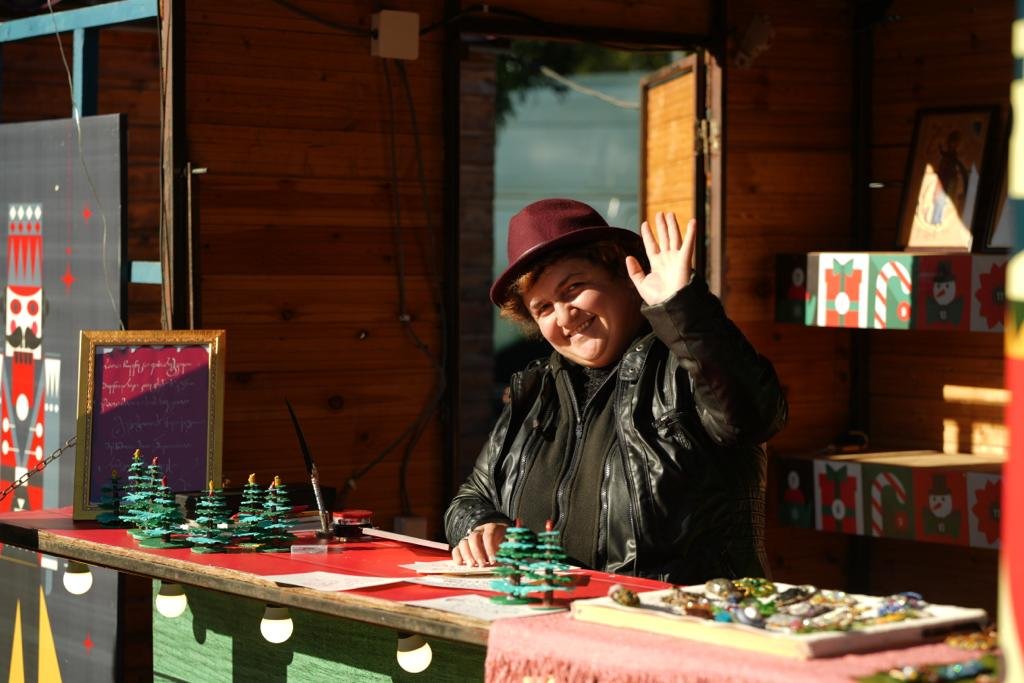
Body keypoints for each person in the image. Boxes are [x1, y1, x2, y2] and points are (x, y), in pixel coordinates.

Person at [444, 198, 787, 584]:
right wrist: (482, 526)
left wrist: (685, 309)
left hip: (679, 617)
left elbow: (754, 416)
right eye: (543, 308)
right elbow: (470, 498)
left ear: (625, 275)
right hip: (553, 614)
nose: (565, 316)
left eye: (574, 288)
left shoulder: (686, 365)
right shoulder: (535, 390)